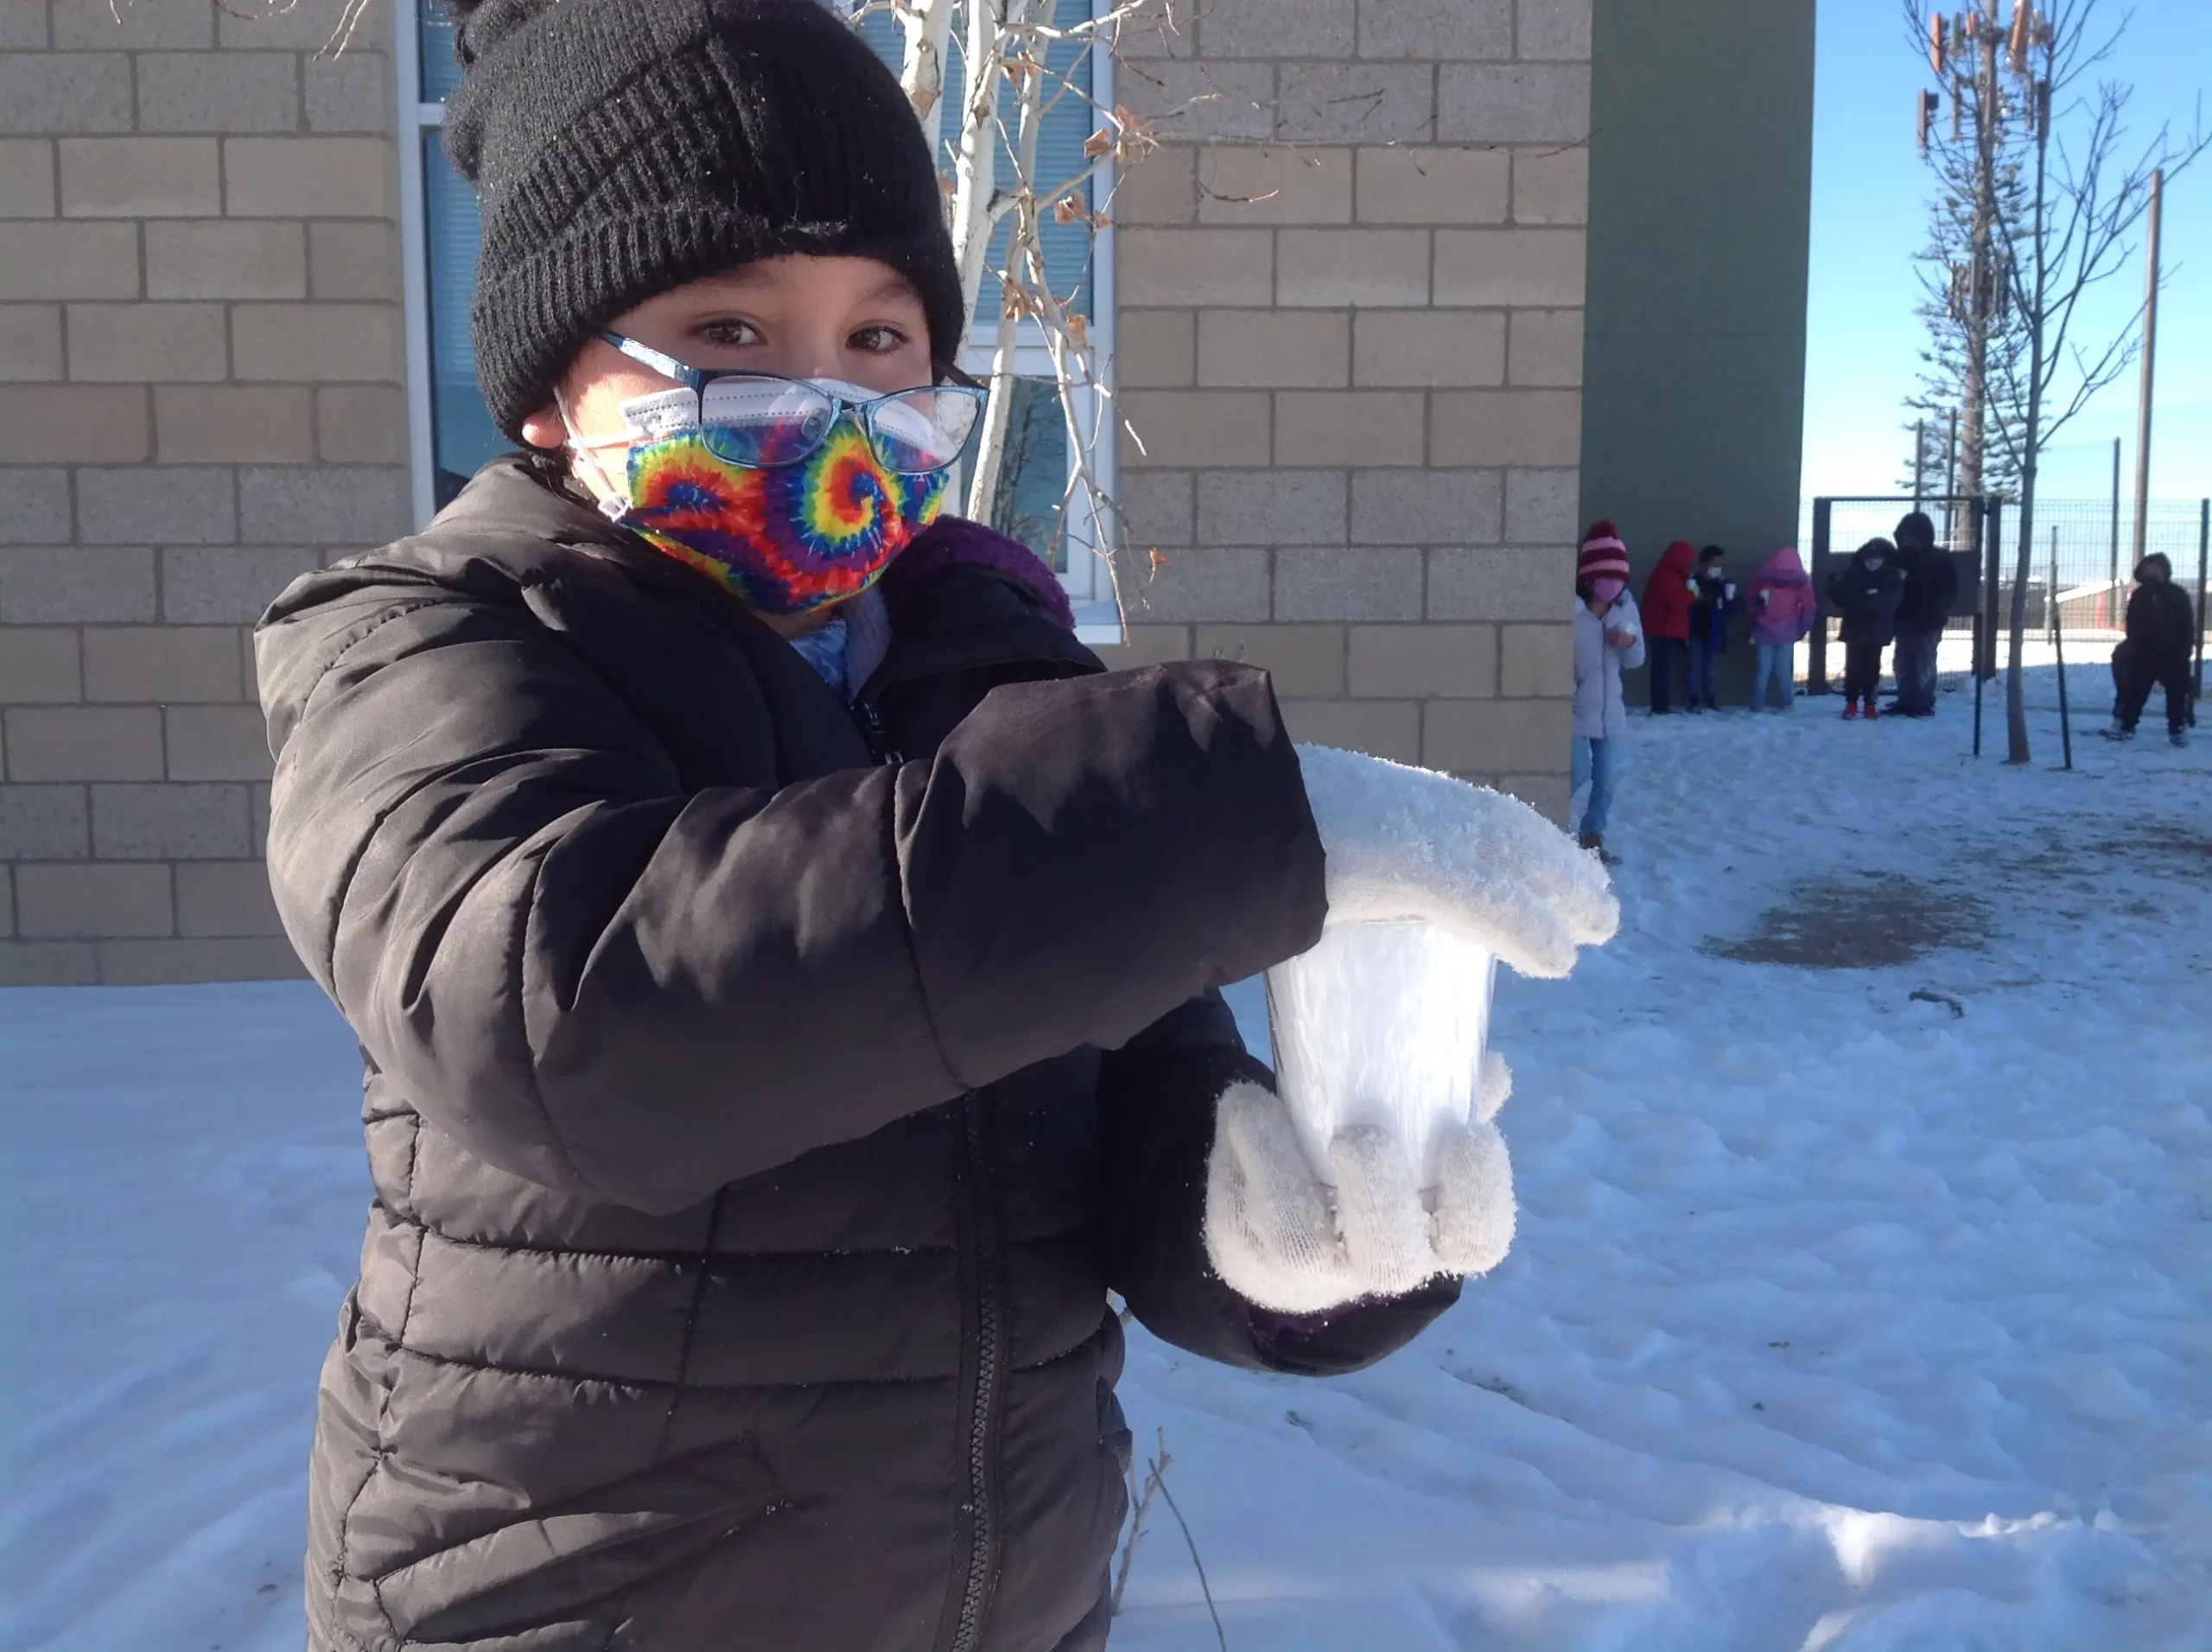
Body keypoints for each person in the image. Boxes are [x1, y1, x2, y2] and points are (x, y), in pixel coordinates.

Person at [249, 6, 1614, 1649]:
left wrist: (1288, 1245)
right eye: (729, 324)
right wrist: (1210, 812)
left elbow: (1128, 1092)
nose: (820, 392)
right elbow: (564, 1016)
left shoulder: (990, 668)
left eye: (881, 334)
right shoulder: (429, 644)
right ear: (551, 386)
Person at [1572, 521, 1645, 864]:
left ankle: (1591, 835)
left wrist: (1628, 642)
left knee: (1607, 779)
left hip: (1610, 710)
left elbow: (1636, 659)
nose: (1612, 586)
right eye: (1604, 578)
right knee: (1576, 772)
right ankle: (1544, 825)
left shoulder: (1627, 607)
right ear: (1588, 578)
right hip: (1573, 708)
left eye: (1617, 578)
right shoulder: (1571, 613)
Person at [2103, 553, 2197, 747]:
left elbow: (2186, 624)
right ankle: (2127, 726)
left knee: (2177, 693)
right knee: (2136, 691)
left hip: (2174, 653)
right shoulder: (2140, 596)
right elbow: (2132, 624)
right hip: (2145, 653)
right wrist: (2136, 646)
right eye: (2149, 569)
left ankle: (2177, 728)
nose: (2154, 573)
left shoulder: (2177, 594)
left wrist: (2185, 649)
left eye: (2157, 569)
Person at [1887, 511, 1956, 717]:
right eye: (1905, 537)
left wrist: (1934, 609)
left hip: (1928, 620)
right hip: (1904, 618)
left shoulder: (1939, 559)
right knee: (1903, 661)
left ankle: (1922, 702)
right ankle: (1906, 699)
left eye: (1912, 537)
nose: (1908, 541)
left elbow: (1949, 590)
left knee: (1923, 661)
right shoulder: (1898, 559)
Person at [1827, 537, 1905, 720]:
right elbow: (1842, 597)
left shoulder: (1891, 576)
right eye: (1869, 559)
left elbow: (1890, 601)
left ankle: (1870, 704)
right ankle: (1852, 703)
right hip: (1858, 630)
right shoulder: (1853, 573)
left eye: (1877, 559)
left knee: (1872, 669)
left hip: (1873, 631)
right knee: (1853, 668)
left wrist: (1863, 600)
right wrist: (1871, 598)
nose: (1872, 563)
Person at [1747, 545, 1816, 711]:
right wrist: (1802, 629)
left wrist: (1757, 604)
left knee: (1762, 671)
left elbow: (1750, 606)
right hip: (1787, 631)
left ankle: (1757, 705)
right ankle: (1787, 703)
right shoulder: (1800, 584)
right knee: (1783, 671)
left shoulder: (1763, 581)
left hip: (1764, 630)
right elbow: (1809, 608)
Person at [1640, 538, 1699, 714]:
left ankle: (1661, 706)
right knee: (1662, 670)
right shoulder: (1666, 576)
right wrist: (1691, 594)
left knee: (1663, 669)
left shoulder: (1671, 574)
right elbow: (1676, 602)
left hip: (1667, 626)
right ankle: (1660, 707)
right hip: (1664, 628)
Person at [1685, 544, 1739, 711]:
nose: (1718, 568)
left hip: (1713, 632)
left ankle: (1710, 699)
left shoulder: (1721, 584)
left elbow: (1729, 610)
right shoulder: (1692, 581)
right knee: (1694, 667)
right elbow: (1686, 605)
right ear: (1704, 564)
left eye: (1720, 565)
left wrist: (1732, 599)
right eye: (1715, 564)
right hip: (1694, 630)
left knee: (1711, 668)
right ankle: (1693, 700)